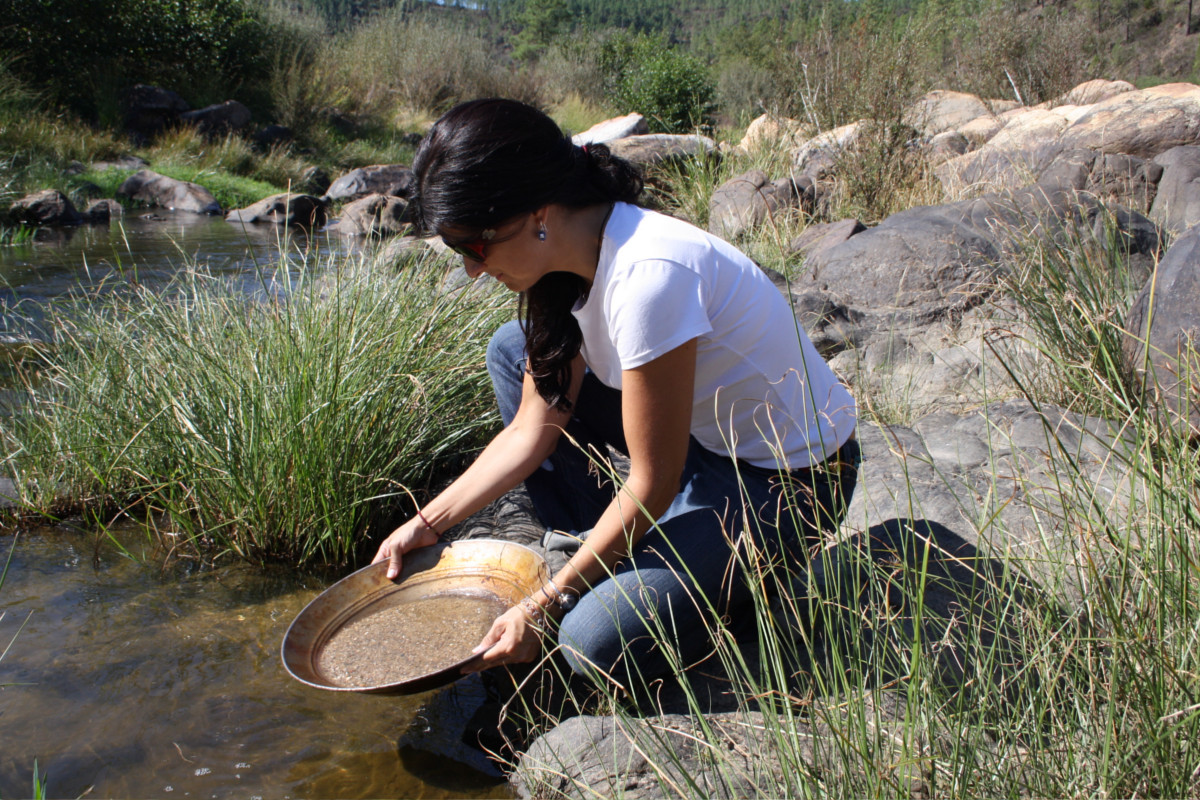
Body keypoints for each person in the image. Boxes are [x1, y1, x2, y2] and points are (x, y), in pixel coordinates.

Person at [372, 98, 858, 689]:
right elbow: (533, 428)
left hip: (789, 480)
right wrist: (428, 523)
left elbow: (653, 482)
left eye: (474, 246)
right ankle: (593, 545)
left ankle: (719, 593)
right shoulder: (573, 257)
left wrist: (546, 602)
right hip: (705, 447)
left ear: (537, 212)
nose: (472, 269)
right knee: (512, 348)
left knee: (589, 642)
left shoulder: (648, 278)